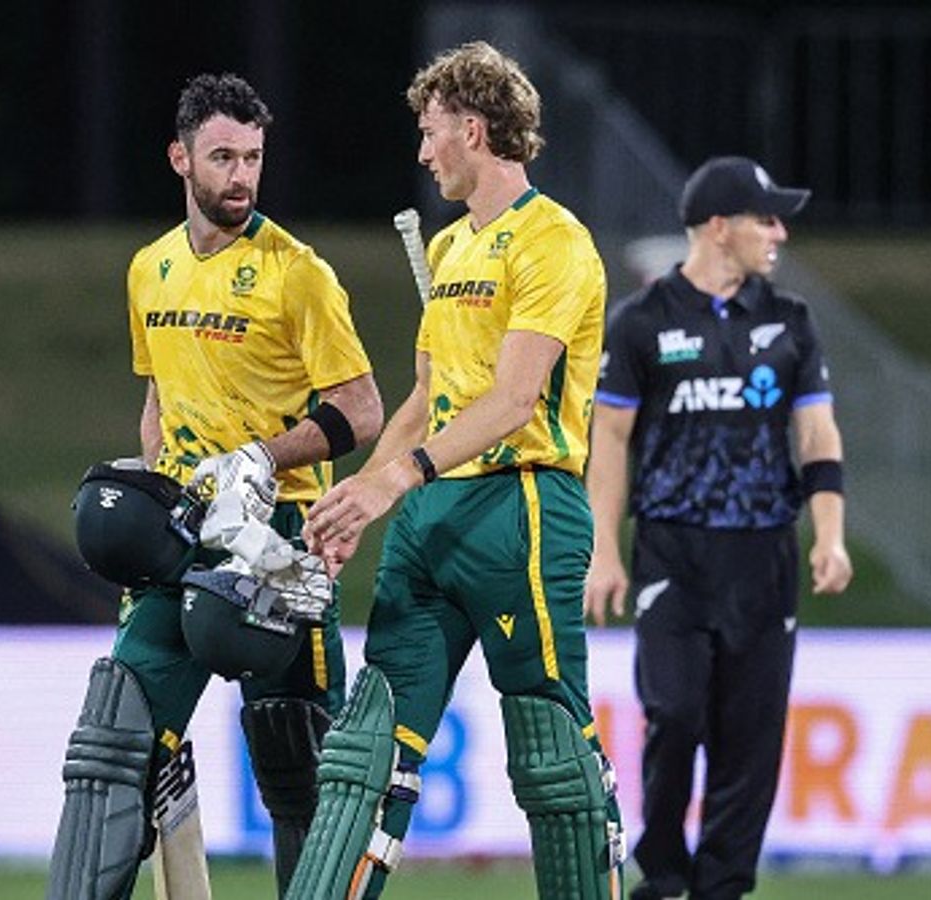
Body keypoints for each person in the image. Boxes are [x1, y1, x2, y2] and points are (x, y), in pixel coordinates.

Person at [291, 41, 623, 899]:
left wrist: (399, 478)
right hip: (432, 516)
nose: (422, 151)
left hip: (524, 508)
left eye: (431, 133)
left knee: (550, 760)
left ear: (473, 131)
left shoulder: (556, 242)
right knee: (363, 748)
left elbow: (515, 401)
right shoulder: (447, 251)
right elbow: (430, 396)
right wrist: (359, 495)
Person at [46, 73, 383, 900]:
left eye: (254, 158)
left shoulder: (298, 273)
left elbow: (362, 409)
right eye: (224, 157)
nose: (241, 176)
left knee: (298, 761)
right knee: (111, 747)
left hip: (278, 545)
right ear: (180, 158)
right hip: (184, 534)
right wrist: (166, 482)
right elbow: (158, 395)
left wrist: (265, 459)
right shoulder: (149, 269)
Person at [582, 156, 852, 900]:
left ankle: (723, 888)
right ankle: (664, 874)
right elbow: (608, 439)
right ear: (718, 227)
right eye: (766, 219)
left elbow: (818, 438)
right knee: (672, 712)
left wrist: (829, 534)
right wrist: (605, 549)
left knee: (751, 743)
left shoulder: (789, 321)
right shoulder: (643, 321)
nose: (779, 232)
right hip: (674, 549)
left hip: (764, 557)